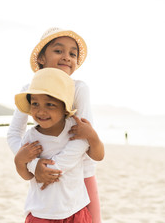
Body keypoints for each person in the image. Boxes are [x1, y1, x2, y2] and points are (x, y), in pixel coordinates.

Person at [7, 27, 104, 222]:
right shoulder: (29, 89)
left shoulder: (78, 88)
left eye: (72, 54)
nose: (66, 57)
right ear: (41, 58)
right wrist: (34, 165)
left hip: (81, 174)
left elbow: (83, 136)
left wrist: (54, 168)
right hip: (44, 178)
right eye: (58, 51)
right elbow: (14, 133)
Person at [15, 68, 91, 222]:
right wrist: (19, 161)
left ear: (64, 108)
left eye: (50, 104)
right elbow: (27, 175)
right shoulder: (31, 136)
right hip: (41, 212)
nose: (41, 111)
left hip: (75, 209)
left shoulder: (75, 129)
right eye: (35, 104)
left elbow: (98, 155)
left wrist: (93, 137)